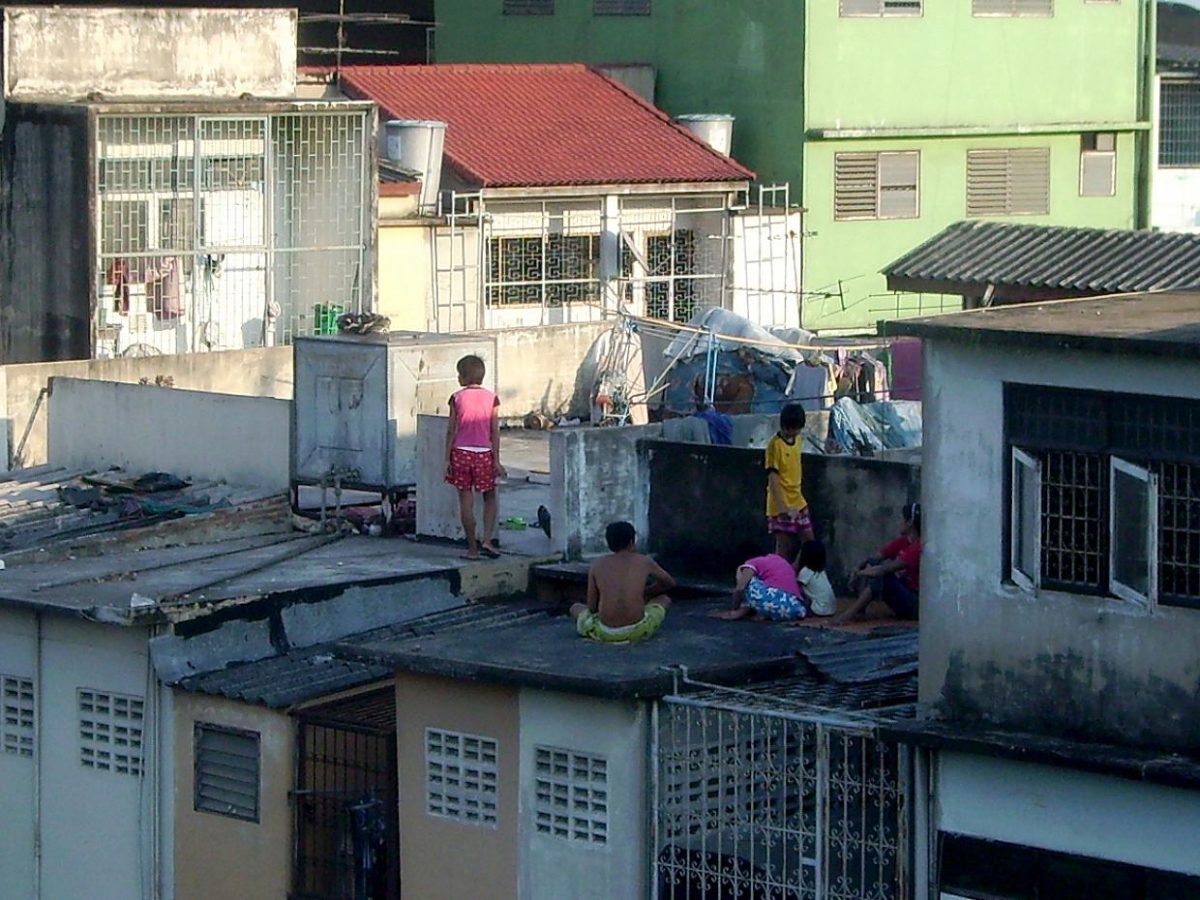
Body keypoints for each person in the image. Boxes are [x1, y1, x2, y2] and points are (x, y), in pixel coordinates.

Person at [571, 521, 675, 643]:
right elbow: (669, 583)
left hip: (605, 632)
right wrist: (647, 592)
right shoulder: (644, 561)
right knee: (664, 599)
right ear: (632, 542)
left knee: (575, 607)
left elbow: (592, 608)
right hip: (639, 630)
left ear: (609, 544)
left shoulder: (597, 565)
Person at [444, 354, 505, 560]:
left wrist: (447, 459)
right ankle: (487, 540)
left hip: (461, 452)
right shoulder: (492, 398)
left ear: (463, 377)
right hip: (484, 454)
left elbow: (451, 431)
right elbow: (494, 431)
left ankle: (472, 549)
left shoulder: (456, 398)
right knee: (489, 497)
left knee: (466, 501)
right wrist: (496, 460)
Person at [833, 503, 922, 624]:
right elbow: (875, 557)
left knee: (882, 577)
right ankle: (860, 611)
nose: (898, 521)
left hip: (916, 604)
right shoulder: (903, 542)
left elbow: (885, 569)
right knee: (871, 564)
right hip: (905, 589)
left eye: (901, 518)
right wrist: (859, 567)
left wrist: (859, 574)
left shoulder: (917, 547)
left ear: (910, 522)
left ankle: (849, 615)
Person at [765, 402, 815, 561]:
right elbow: (773, 478)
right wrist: (782, 508)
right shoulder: (775, 445)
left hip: (798, 500)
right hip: (781, 503)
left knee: (810, 543)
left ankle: (795, 571)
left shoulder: (798, 440)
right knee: (783, 551)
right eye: (790, 429)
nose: (793, 432)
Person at [717, 547, 807, 622]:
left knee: (748, 582)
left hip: (777, 602)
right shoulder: (779, 561)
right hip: (796, 608)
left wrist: (734, 607)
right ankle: (763, 613)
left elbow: (740, 588)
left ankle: (747, 611)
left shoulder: (751, 563)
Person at [796, 540, 836, 617]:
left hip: (819, 609)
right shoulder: (822, 572)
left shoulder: (805, 571)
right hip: (832, 609)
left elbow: (797, 588)